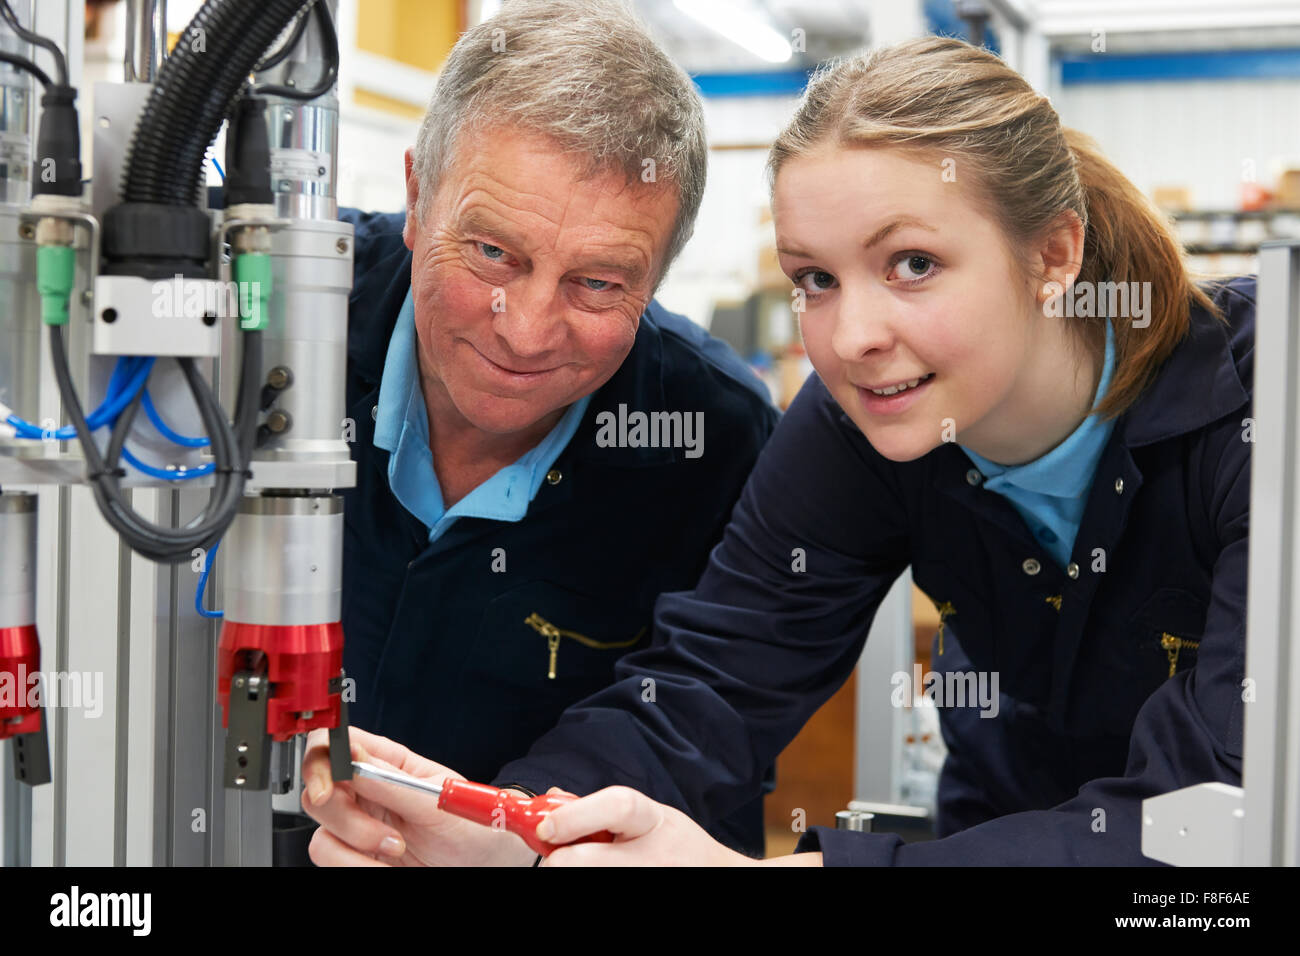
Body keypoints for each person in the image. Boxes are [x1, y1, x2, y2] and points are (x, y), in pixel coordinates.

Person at [302, 35, 1252, 866]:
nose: (851, 338)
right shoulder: (862, 426)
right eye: (816, 279)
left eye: (912, 264)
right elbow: (710, 688)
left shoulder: (1259, 409)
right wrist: (515, 824)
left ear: (1054, 254)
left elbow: (1211, 827)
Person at [314, 0, 779, 860]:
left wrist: (521, 832)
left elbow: (709, 727)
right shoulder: (281, 310)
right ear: (418, 197)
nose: (525, 330)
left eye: (598, 283)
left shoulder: (717, 441)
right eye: (493, 253)